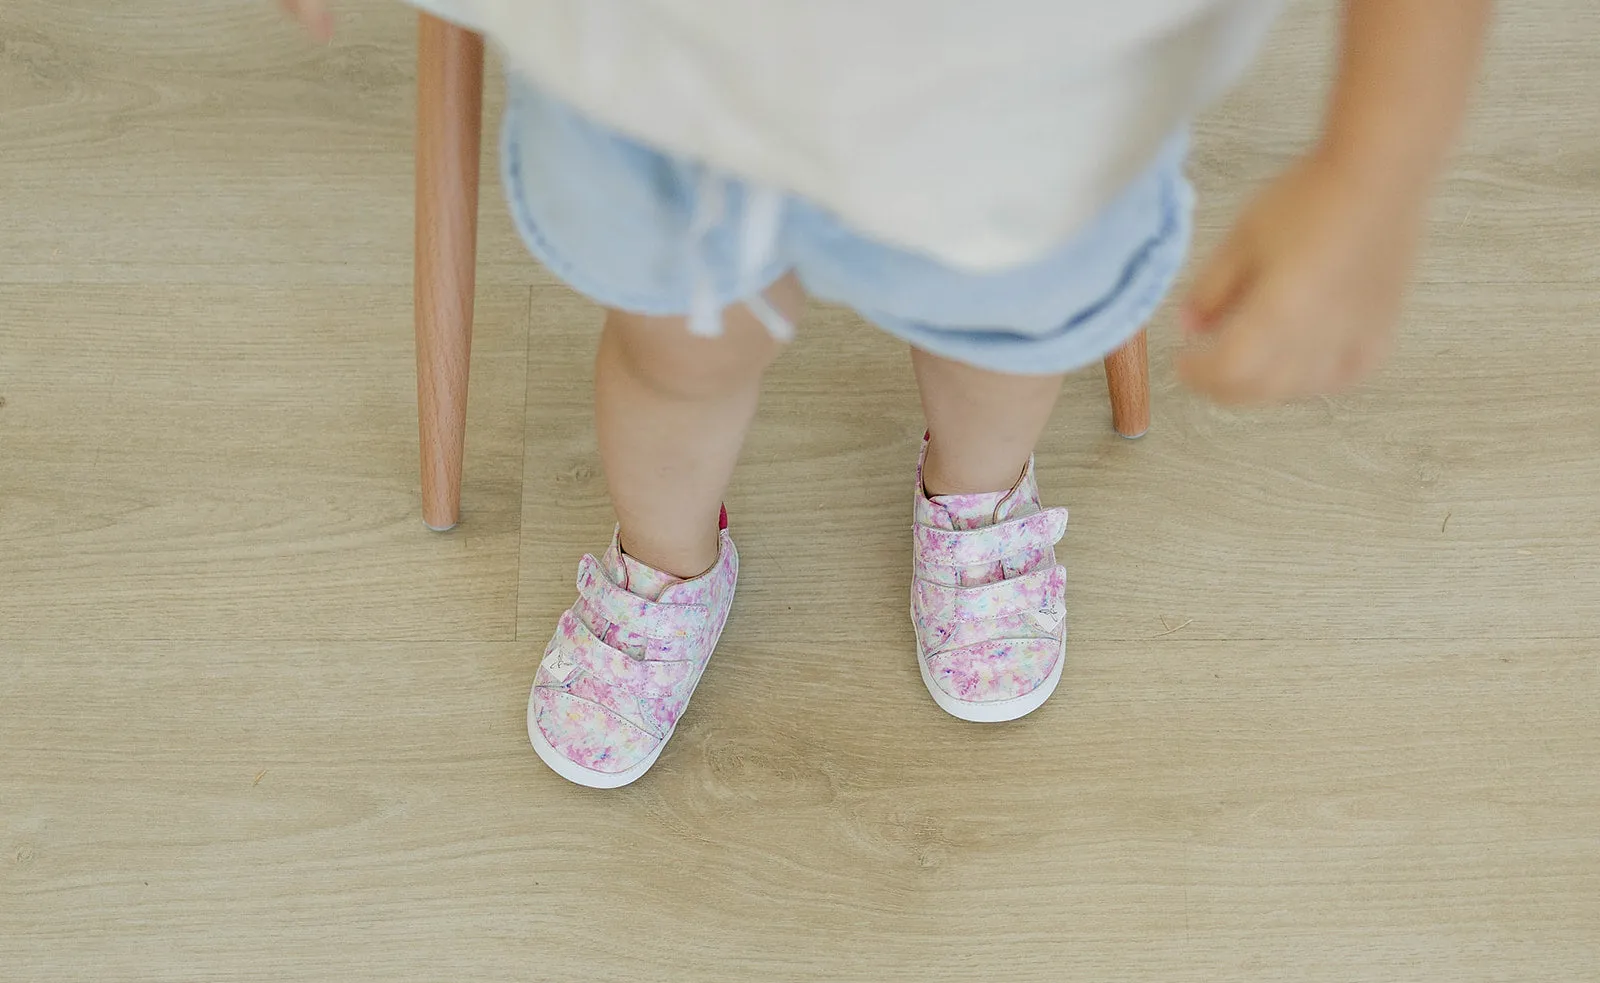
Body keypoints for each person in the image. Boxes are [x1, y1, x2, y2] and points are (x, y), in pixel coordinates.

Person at [283, 0, 1492, 788]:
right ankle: (666, 554)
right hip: (663, 66)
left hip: (1036, 80)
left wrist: (1375, 168)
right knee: (678, 343)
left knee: (999, 323)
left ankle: (975, 493)